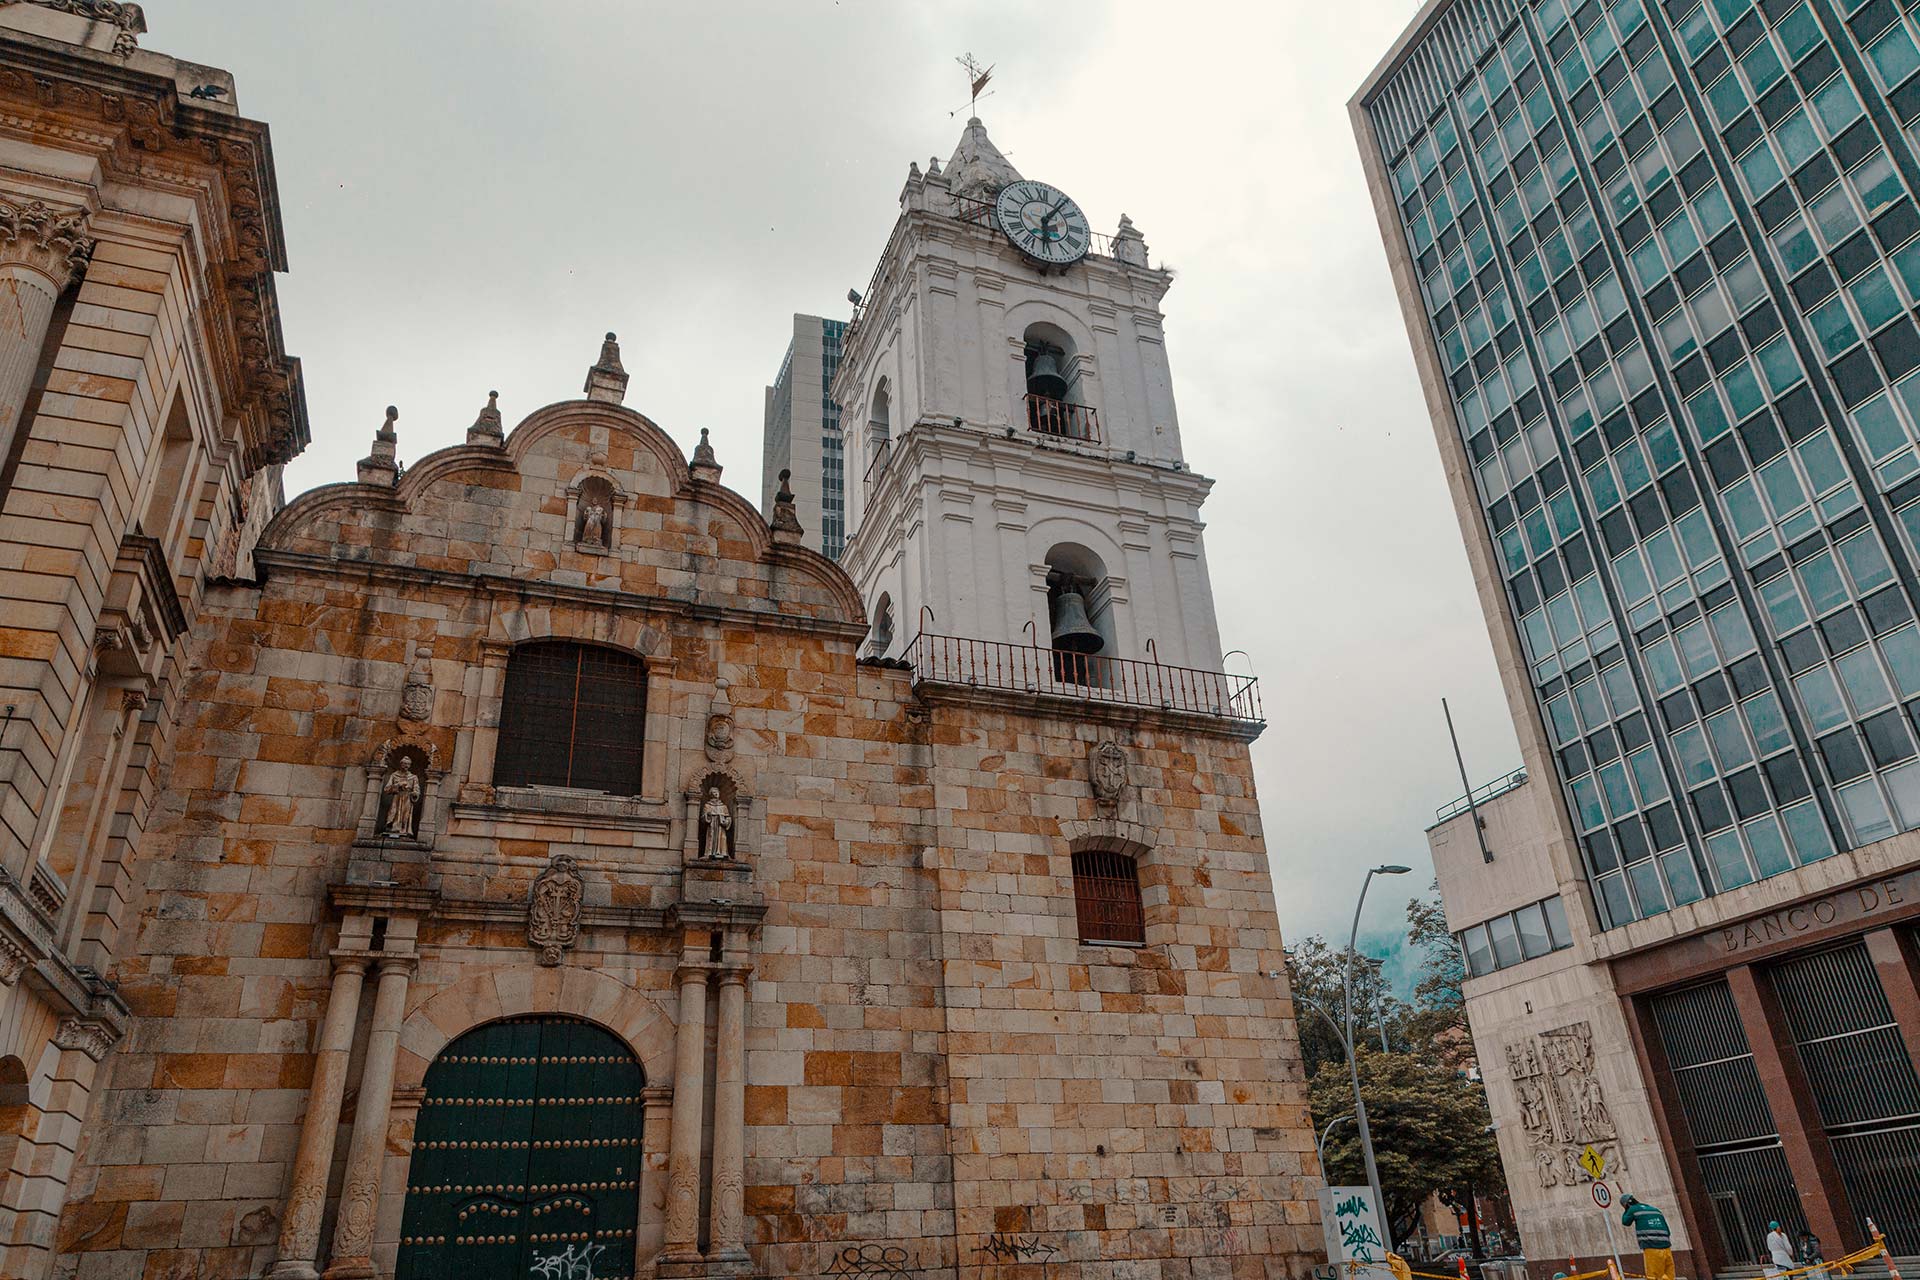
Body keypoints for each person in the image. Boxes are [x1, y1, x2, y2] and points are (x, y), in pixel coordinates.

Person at [1621, 1194, 1674, 1280]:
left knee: (1653, 1276)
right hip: (1666, 1248)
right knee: (1668, 1276)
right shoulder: (1655, 1210)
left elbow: (1625, 1222)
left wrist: (1626, 1210)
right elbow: (1667, 1231)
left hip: (1651, 1248)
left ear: (1626, 1204)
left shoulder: (1633, 1209)